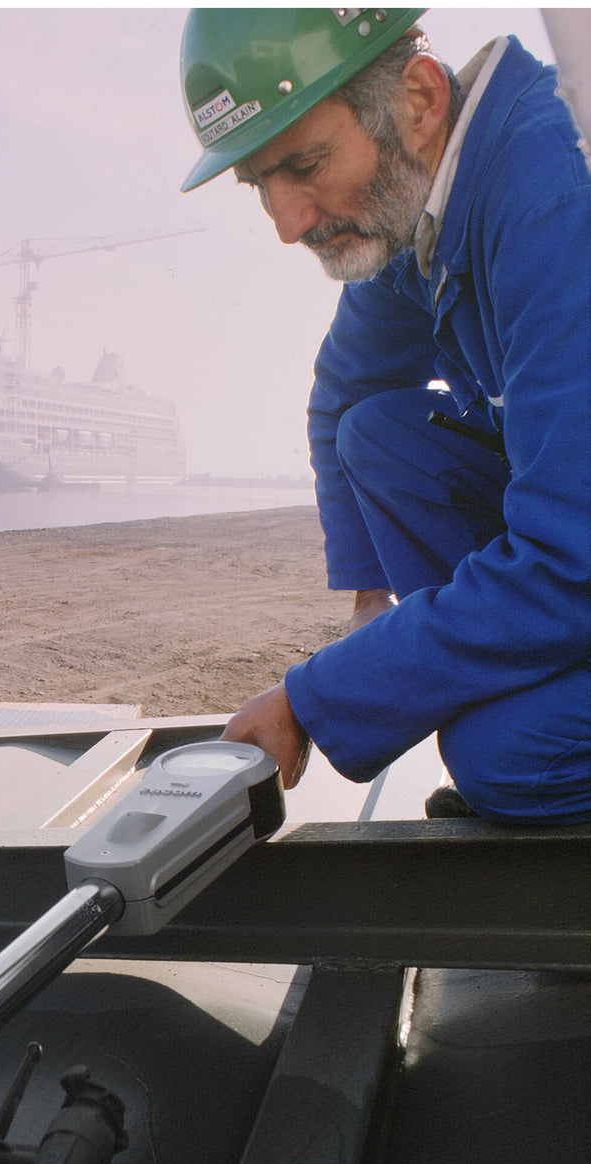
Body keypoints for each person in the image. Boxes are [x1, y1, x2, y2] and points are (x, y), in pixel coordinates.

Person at [178, 9, 590, 822]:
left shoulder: (556, 198)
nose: (288, 223)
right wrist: (371, 607)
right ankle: (499, 669)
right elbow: (342, 398)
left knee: (505, 755)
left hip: (577, 558)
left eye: (304, 163)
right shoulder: (421, 211)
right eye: (260, 183)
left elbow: (571, 559)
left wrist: (313, 699)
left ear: (421, 97)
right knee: (378, 433)